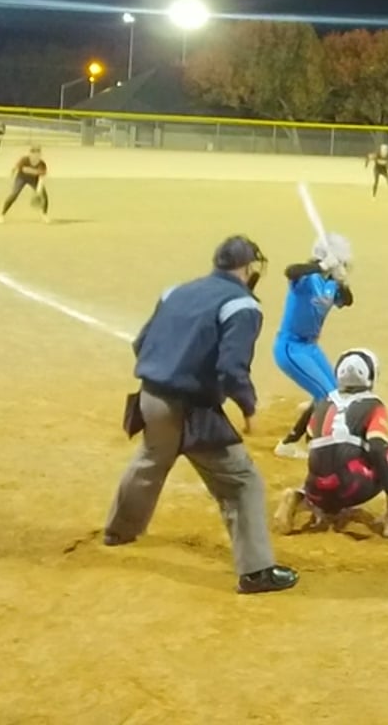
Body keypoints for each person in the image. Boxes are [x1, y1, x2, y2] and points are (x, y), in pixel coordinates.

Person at [103, 236, 298, 595]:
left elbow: (140, 343)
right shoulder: (241, 306)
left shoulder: (176, 291)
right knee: (241, 482)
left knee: (150, 460)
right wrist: (248, 408)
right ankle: (256, 572)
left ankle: (119, 531)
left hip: (149, 397)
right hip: (191, 409)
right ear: (248, 268)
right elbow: (232, 368)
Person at [274, 348, 388, 540]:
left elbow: (308, 439)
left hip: (317, 491)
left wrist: (289, 440)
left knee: (329, 461)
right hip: (352, 488)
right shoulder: (373, 405)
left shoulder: (322, 402)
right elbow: (376, 449)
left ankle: (304, 498)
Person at [271, 235, 355, 459]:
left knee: (334, 392)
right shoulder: (306, 279)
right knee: (328, 396)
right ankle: (289, 443)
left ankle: (311, 429)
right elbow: (291, 271)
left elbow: (347, 301)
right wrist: (322, 266)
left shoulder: (330, 283)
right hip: (291, 347)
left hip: (310, 348)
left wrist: (343, 282)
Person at [0, 146, 49, 223]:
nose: (35, 156)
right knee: (14, 194)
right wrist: (11, 174)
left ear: (40, 155)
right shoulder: (24, 160)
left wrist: (38, 191)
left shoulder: (42, 164)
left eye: (38, 154)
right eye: (33, 154)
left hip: (34, 180)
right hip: (21, 178)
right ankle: (2, 215)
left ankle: (44, 215)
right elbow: (17, 168)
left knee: (44, 196)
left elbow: (41, 177)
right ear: (30, 154)